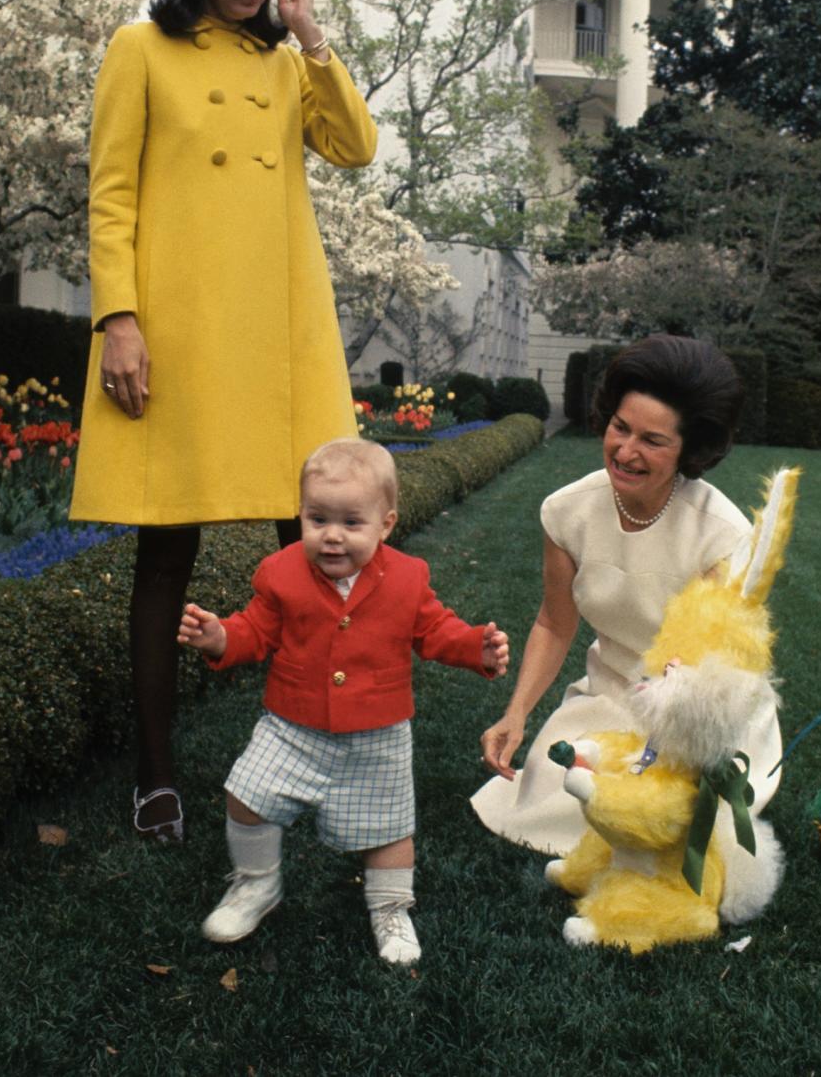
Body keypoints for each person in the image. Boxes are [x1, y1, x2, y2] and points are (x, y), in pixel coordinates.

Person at [70, 0, 378, 844]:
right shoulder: (141, 49)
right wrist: (118, 319)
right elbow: (112, 193)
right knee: (167, 551)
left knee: (317, 551)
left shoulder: (289, 62)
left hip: (283, 333)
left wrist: (313, 34)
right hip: (181, 333)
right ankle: (155, 775)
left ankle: (310, 761)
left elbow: (356, 147)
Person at [177, 438, 510, 964]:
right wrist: (220, 637)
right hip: (291, 724)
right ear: (302, 517)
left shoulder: (407, 577)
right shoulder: (280, 572)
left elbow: (436, 631)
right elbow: (255, 630)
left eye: (351, 523)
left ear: (386, 524)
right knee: (246, 792)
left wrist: (477, 649)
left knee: (389, 830)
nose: (332, 536)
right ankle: (256, 883)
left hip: (377, 734)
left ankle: (391, 908)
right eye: (317, 519)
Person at [471, 334, 782, 856]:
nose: (626, 451)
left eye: (653, 441)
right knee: (554, 784)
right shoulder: (566, 512)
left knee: (656, 817)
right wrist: (517, 713)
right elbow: (554, 622)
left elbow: (708, 668)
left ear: (690, 450)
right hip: (611, 691)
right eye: (621, 427)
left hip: (690, 709)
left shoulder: (720, 534)